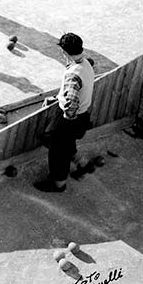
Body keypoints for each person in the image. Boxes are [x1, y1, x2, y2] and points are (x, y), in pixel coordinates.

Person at [34, 33, 95, 193]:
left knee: (57, 151)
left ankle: (58, 184)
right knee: (67, 144)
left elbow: (72, 101)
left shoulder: (72, 75)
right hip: (83, 115)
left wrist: (67, 120)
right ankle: (82, 164)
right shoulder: (87, 64)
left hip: (71, 119)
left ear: (64, 52)